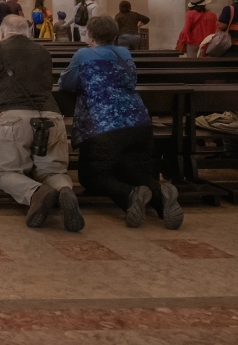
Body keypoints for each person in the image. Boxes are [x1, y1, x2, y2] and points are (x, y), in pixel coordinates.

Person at [59, 16, 183, 229]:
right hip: (139, 124)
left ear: (90, 35)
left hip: (103, 128)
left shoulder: (83, 54)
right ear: (114, 34)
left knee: (92, 176)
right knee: (132, 170)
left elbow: (67, 83)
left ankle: (129, 196)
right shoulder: (124, 53)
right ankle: (161, 196)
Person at [0, 15, 84, 231]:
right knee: (53, 171)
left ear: (2, 33)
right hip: (51, 117)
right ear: (28, 32)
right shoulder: (43, 52)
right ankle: (64, 192)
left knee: (6, 173)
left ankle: (36, 193)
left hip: (13, 118)